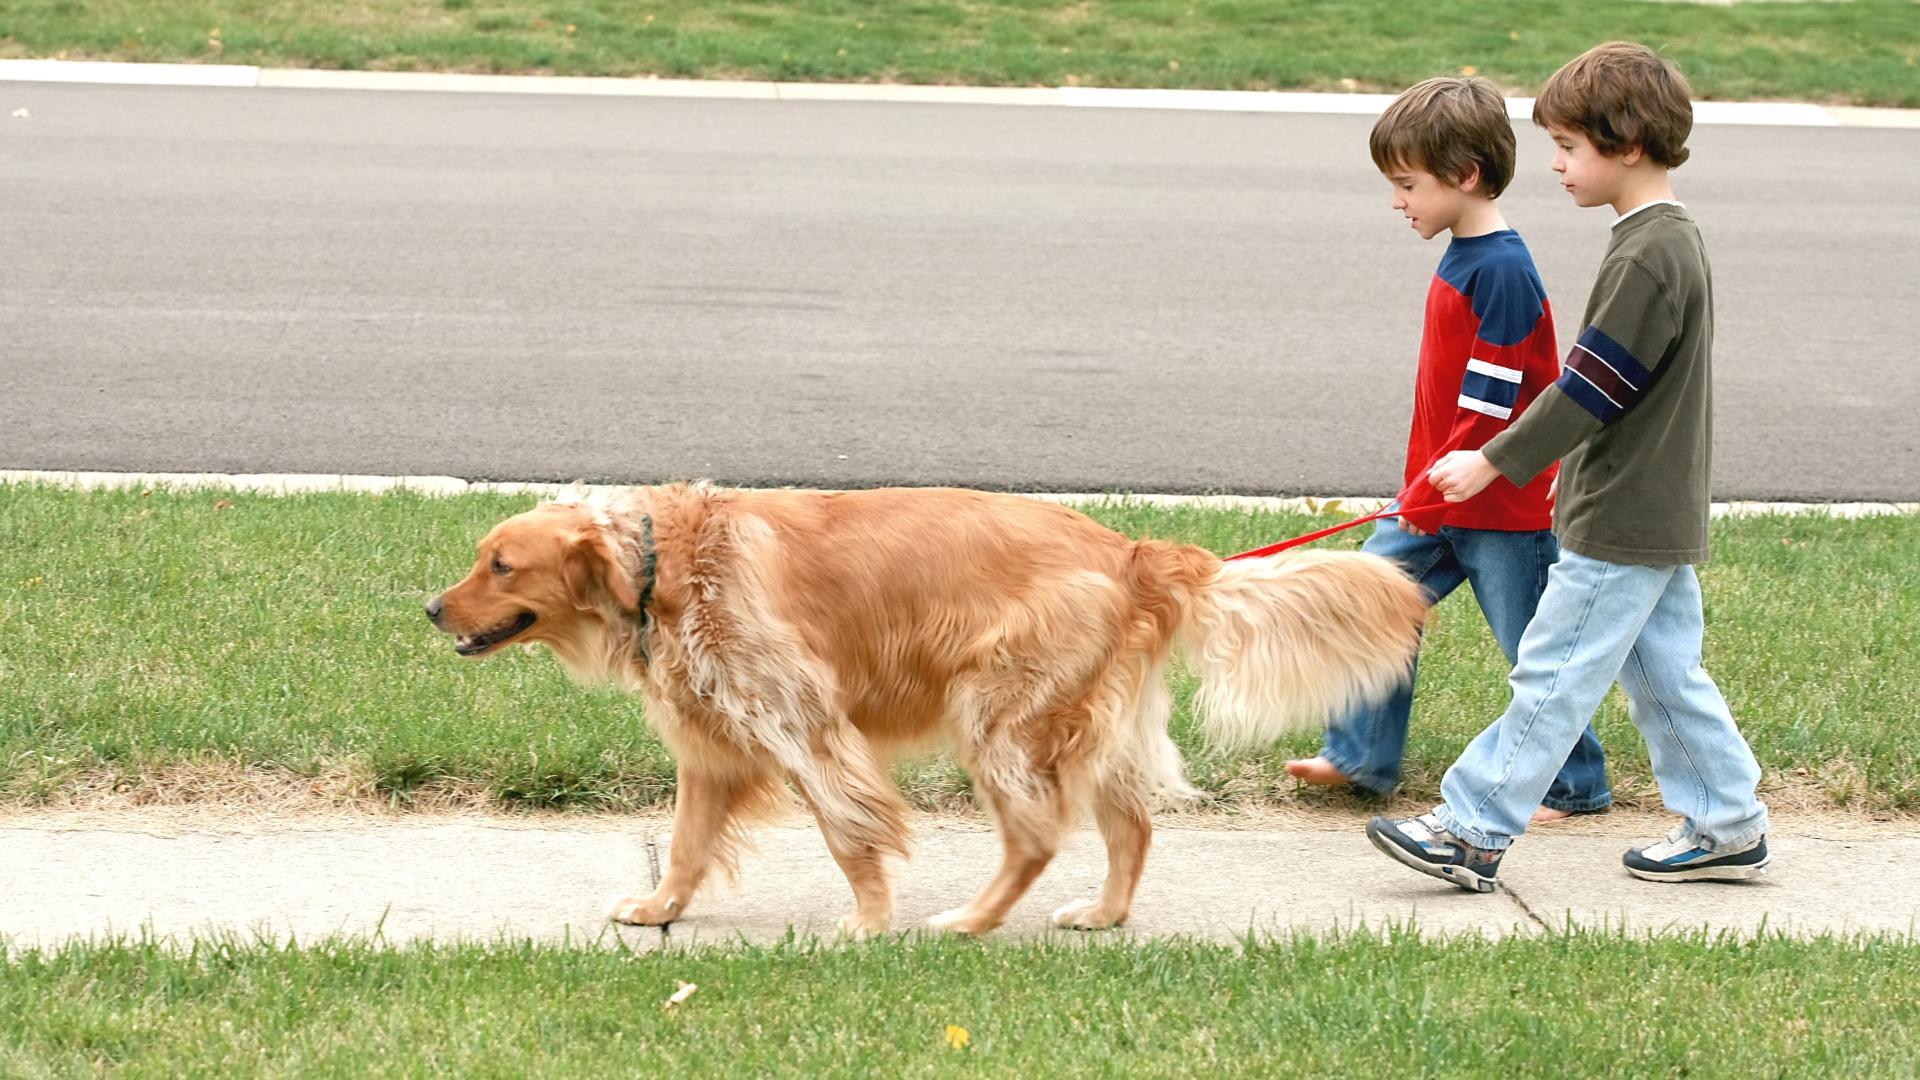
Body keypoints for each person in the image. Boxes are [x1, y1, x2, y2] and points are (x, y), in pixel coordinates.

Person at [1367, 42, 1771, 893]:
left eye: (1570, 147)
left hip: (1624, 511)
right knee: (1665, 673)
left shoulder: (1649, 253)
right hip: (1649, 508)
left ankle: (1471, 828)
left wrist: (1493, 461)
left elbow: (1592, 386)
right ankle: (1727, 821)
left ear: (1627, 146)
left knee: (1553, 671)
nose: (1555, 165)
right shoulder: (1660, 240)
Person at [1284, 75, 1612, 822]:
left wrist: (1438, 489)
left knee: (1536, 649)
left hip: (1498, 504)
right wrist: (1423, 492)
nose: (1398, 201)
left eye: (1407, 184)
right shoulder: (1468, 255)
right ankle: (1361, 755)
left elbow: (1489, 408)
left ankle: (1576, 782)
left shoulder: (1499, 269)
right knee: (1369, 605)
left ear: (1464, 177)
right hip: (1436, 497)